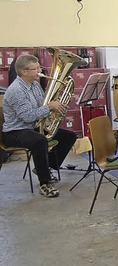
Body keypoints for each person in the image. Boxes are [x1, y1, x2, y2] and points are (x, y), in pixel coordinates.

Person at [2, 55, 76, 197]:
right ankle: (45, 183)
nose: (39, 71)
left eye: (38, 67)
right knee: (39, 140)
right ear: (24, 71)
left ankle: (46, 167)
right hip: (15, 131)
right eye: (35, 68)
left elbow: (42, 105)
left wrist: (57, 105)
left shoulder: (35, 85)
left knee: (69, 136)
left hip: (31, 127)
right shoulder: (16, 90)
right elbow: (28, 116)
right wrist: (49, 107)